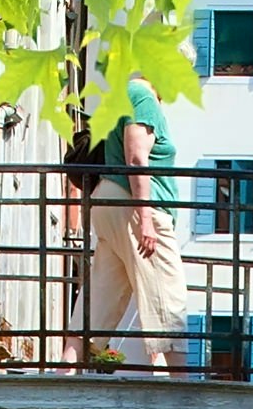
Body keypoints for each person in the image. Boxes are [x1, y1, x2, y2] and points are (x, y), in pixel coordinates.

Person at [82, 79, 193, 369]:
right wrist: (145, 218)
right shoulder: (143, 98)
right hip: (137, 205)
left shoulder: (123, 92)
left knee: (103, 294)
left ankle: (65, 370)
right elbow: (136, 157)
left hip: (110, 201)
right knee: (168, 295)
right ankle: (187, 394)